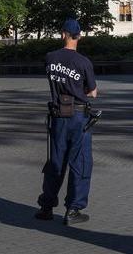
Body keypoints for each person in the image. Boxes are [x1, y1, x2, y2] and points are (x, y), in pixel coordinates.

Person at [35, 18, 96, 225]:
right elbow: (92, 91)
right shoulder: (83, 62)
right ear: (79, 36)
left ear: (63, 34)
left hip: (58, 115)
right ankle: (73, 209)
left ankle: (46, 206)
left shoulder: (50, 58)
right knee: (80, 162)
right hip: (78, 117)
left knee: (55, 161)